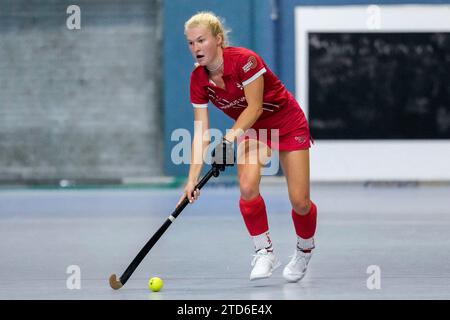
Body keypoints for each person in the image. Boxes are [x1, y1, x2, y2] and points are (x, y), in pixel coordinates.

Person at [176, 11, 317, 282]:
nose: (195, 48)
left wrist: (228, 140)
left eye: (201, 40)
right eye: (191, 43)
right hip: (254, 129)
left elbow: (254, 107)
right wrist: (191, 179)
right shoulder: (198, 80)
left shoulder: (246, 61)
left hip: (287, 122)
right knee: (248, 185)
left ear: (218, 40)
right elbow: (200, 131)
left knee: (300, 202)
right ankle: (264, 250)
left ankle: (304, 249)